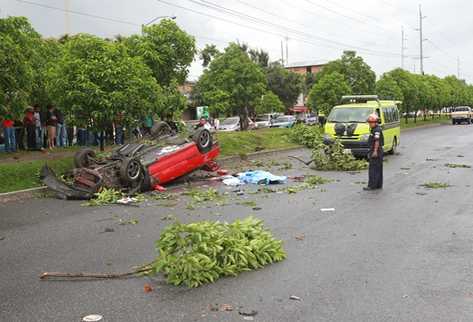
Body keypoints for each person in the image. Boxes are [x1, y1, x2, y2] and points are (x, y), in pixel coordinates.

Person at [364, 113, 384, 191]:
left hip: (376, 151)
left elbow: (377, 141)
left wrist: (375, 151)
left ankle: (372, 185)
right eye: (369, 122)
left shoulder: (376, 130)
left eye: (370, 122)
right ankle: (378, 185)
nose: (369, 124)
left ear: (375, 122)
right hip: (378, 151)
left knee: (373, 169)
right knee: (378, 168)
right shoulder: (375, 129)